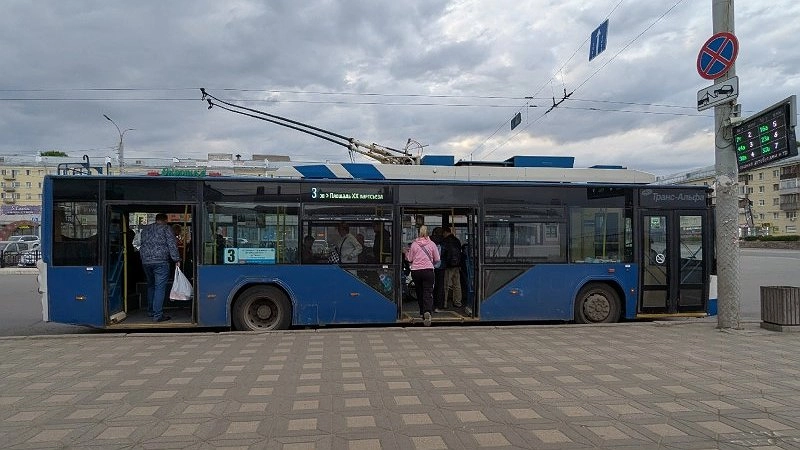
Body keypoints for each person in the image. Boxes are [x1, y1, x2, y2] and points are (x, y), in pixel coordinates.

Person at [139, 213, 181, 322]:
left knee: (151, 286)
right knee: (159, 287)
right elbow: (172, 244)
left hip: (146, 262)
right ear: (165, 220)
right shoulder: (166, 229)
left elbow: (142, 244)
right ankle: (158, 315)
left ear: (156, 219)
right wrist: (176, 259)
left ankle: (151, 311)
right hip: (161, 262)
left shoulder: (146, 229)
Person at [404, 225, 440, 326]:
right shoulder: (432, 244)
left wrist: (406, 253)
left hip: (416, 271)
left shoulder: (414, 245)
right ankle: (427, 311)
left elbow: (410, 259)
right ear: (427, 233)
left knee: (419, 292)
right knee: (428, 292)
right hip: (428, 271)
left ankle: (421, 313)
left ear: (418, 233)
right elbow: (437, 259)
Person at [442, 226, 463, 308]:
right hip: (457, 265)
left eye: (443, 233)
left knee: (446, 285)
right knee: (457, 285)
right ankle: (457, 302)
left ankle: (444, 303)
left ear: (445, 232)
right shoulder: (457, 240)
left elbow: (445, 254)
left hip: (448, 266)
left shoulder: (445, 241)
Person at [430, 226, 445, 312]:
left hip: (430, 266)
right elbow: (447, 253)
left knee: (430, 286)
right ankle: (439, 306)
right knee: (440, 286)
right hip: (441, 266)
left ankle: (430, 305)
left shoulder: (429, 241)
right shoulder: (444, 241)